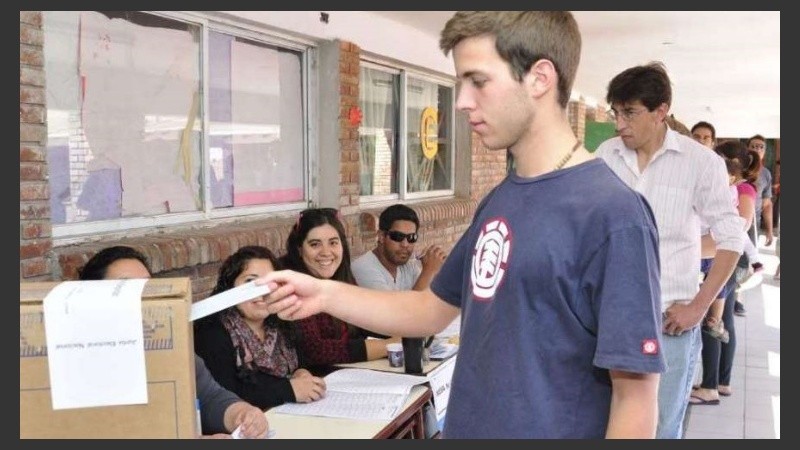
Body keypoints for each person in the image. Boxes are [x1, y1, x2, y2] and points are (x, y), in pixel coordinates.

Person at [260, 12, 665, 439]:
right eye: (460, 83)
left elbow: (635, 397)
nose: (462, 101)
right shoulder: (500, 199)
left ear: (539, 78)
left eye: (479, 81)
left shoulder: (615, 217)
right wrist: (324, 293)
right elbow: (428, 310)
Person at [596, 62, 743, 439]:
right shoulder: (606, 155)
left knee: (661, 428)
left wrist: (698, 307)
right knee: (606, 423)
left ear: (661, 111)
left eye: (629, 112)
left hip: (668, 324)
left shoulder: (701, 163)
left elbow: (731, 239)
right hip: (608, 319)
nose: (619, 124)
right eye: (616, 112)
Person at [78, 246, 269, 439]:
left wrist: (242, 414)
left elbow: (209, 396)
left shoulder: (169, 346)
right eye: (125, 288)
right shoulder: (79, 360)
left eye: (147, 287)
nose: (141, 297)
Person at [194, 246, 326, 410]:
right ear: (230, 287)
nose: (262, 291)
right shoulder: (212, 332)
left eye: (270, 283)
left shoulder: (281, 322)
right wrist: (289, 389)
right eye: (250, 282)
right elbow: (225, 391)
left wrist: (301, 372)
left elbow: (302, 360)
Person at [280, 207, 400, 369]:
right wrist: (389, 346)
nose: (326, 252)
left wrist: (405, 330)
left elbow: (364, 320)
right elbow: (315, 351)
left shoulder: (341, 278)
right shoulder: (289, 287)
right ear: (299, 250)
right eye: (315, 244)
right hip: (313, 383)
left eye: (333, 243)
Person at [690, 141, 758, 405]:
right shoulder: (730, 188)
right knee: (721, 321)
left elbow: (737, 231)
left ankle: (710, 386)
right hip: (724, 259)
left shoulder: (739, 189)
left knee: (713, 322)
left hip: (723, 261)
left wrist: (687, 248)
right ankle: (720, 382)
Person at [351, 203, 447, 291]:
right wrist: (429, 271)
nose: (405, 244)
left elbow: (433, 299)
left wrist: (439, 270)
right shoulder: (364, 268)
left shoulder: (408, 266)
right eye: (397, 236)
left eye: (411, 237)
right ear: (381, 236)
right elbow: (400, 310)